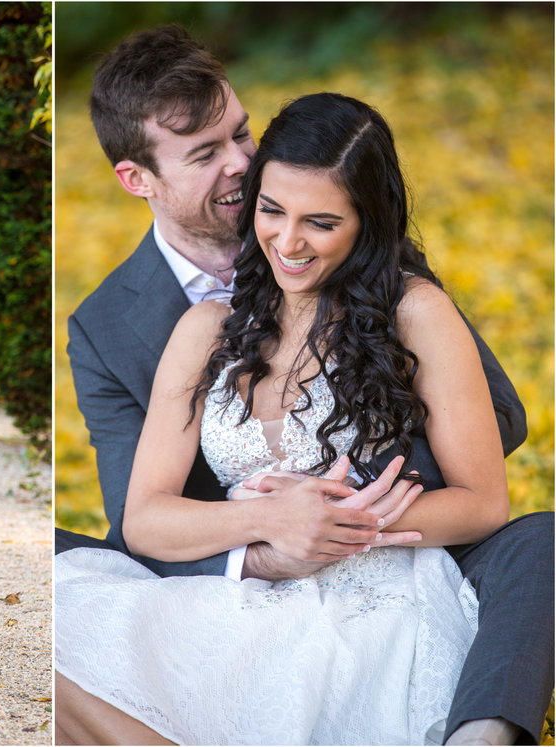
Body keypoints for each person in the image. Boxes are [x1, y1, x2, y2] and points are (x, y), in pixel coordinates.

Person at [57, 27, 553, 745]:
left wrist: (349, 510)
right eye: (205, 153)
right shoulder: (123, 327)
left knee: (543, 543)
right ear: (137, 179)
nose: (241, 165)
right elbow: (138, 521)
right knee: (60, 578)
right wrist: (267, 536)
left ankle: (484, 728)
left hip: (396, 547)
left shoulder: (389, 276)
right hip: (230, 571)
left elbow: (498, 418)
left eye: (241, 133)